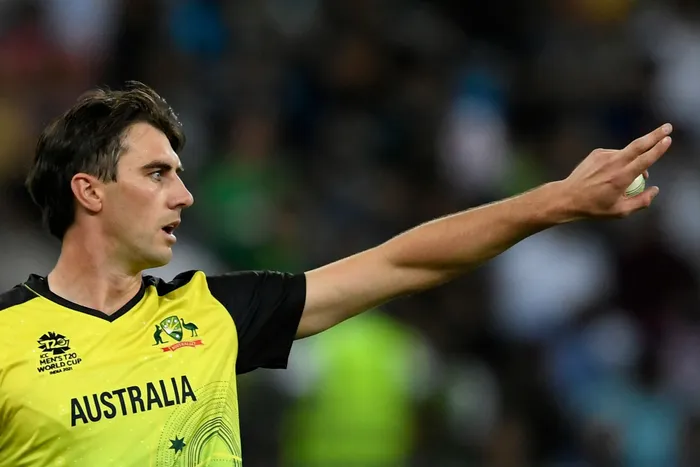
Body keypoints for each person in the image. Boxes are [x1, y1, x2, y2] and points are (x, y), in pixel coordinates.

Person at [0, 81, 672, 467]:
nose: (185, 195)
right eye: (156, 174)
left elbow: (405, 260)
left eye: (179, 173)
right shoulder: (8, 339)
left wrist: (555, 200)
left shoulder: (214, 312)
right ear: (90, 191)